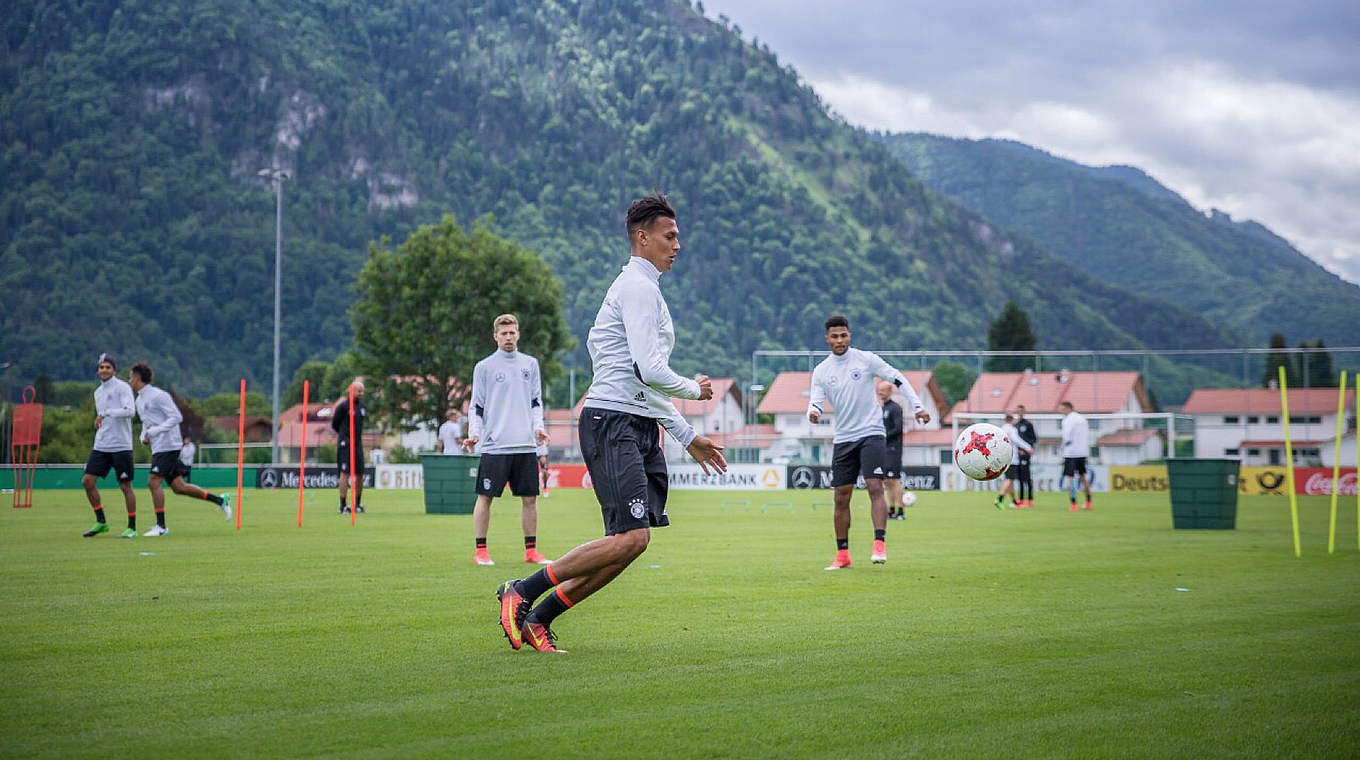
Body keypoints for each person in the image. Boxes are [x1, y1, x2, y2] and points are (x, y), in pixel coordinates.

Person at [493, 193, 727, 653]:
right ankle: (521, 590)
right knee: (629, 538)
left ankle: (539, 618)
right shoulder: (637, 287)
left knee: (633, 542)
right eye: (670, 236)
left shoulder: (646, 289)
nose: (677, 245)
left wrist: (686, 436)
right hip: (613, 421)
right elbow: (650, 371)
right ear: (643, 237)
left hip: (637, 422)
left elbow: (643, 383)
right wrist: (694, 390)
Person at [808, 316, 931, 569]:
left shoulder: (865, 359)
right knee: (841, 497)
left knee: (875, 486)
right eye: (835, 336)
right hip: (843, 438)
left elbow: (897, 377)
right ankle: (843, 555)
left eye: (843, 335)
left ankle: (879, 545)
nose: (840, 340)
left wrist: (918, 406)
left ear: (849, 336)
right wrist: (813, 412)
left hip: (871, 433)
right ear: (827, 339)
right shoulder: (821, 371)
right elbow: (815, 401)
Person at [462, 314, 552, 566]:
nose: (509, 337)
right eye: (504, 333)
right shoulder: (484, 367)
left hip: (525, 444)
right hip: (495, 445)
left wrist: (539, 428)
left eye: (512, 332)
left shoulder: (530, 364)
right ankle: (481, 551)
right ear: (496, 337)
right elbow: (476, 405)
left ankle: (531, 551)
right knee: (485, 497)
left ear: (518, 334)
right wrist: (474, 433)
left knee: (530, 499)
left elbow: (536, 402)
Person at [128, 362, 231, 534]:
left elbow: (176, 417)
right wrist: (143, 436)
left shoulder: (159, 395)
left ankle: (161, 527)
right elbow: (147, 424)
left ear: (138, 378)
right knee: (179, 487)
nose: (129, 380)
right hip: (158, 447)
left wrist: (156, 431)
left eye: (130, 376)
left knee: (153, 481)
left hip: (169, 445)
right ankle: (220, 501)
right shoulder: (139, 400)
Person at [81, 354, 138, 537]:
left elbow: (130, 411)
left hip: (121, 445)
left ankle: (132, 527)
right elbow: (103, 415)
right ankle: (101, 521)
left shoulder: (123, 387)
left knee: (125, 486)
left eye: (108, 367)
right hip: (102, 444)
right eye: (101, 367)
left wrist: (107, 413)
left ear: (114, 370)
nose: (104, 370)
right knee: (87, 481)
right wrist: (100, 420)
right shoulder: (98, 392)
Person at [331, 380, 366, 514]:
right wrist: (344, 436)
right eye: (359, 391)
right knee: (345, 473)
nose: (361, 394)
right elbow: (335, 424)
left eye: (362, 391)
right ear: (352, 391)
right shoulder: (343, 406)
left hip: (358, 444)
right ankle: (343, 505)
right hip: (345, 444)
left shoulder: (362, 407)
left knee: (360, 474)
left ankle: (357, 504)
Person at [877, 380, 907, 520]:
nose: (880, 393)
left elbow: (898, 428)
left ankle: (900, 511)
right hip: (884, 449)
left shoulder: (895, 408)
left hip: (894, 448)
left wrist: (884, 436)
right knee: (887, 481)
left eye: (882, 390)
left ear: (890, 391)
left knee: (894, 480)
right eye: (879, 390)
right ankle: (891, 509)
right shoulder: (882, 408)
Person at [994, 413, 1032, 509]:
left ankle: (1014, 502)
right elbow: (1017, 440)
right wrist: (1028, 448)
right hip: (1012, 458)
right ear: (1012, 420)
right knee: (1010, 479)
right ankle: (1000, 498)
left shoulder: (1000, 430)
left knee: (1010, 480)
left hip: (1002, 459)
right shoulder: (1012, 429)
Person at [1060, 401, 1092, 510]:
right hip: (1082, 452)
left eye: (1062, 409)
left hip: (1070, 453)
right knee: (1083, 477)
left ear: (1068, 408)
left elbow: (1067, 437)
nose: (1061, 411)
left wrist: (1062, 448)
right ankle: (1088, 502)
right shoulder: (1082, 419)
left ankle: (1073, 504)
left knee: (1071, 478)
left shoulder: (1067, 420)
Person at [1013, 404, 1037, 507]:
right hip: (1017, 456)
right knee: (1020, 478)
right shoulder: (1015, 425)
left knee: (1027, 478)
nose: (1019, 413)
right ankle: (1021, 499)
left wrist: (1025, 450)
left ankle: (1030, 500)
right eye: (1018, 411)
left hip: (1025, 455)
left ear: (1024, 412)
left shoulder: (1028, 424)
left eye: (1021, 411)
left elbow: (1033, 439)